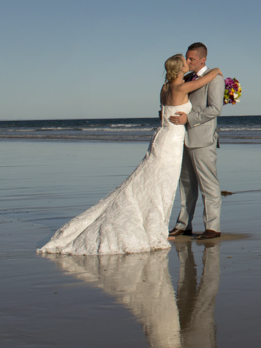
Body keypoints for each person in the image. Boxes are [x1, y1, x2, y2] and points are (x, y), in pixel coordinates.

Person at [38, 54, 223, 254]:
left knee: (153, 182)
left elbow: (165, 110)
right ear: (180, 69)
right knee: (163, 186)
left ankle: (159, 227)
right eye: (185, 61)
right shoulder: (182, 87)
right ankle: (157, 230)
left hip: (162, 138)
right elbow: (208, 77)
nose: (188, 62)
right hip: (172, 143)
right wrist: (216, 71)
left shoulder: (165, 88)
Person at [167, 42, 225, 240]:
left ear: (203, 59)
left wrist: (189, 119)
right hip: (182, 139)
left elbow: (215, 110)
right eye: (187, 57)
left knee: (208, 184)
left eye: (192, 58)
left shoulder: (214, 80)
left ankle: (212, 227)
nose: (188, 61)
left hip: (202, 140)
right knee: (186, 185)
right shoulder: (188, 79)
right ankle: (184, 225)